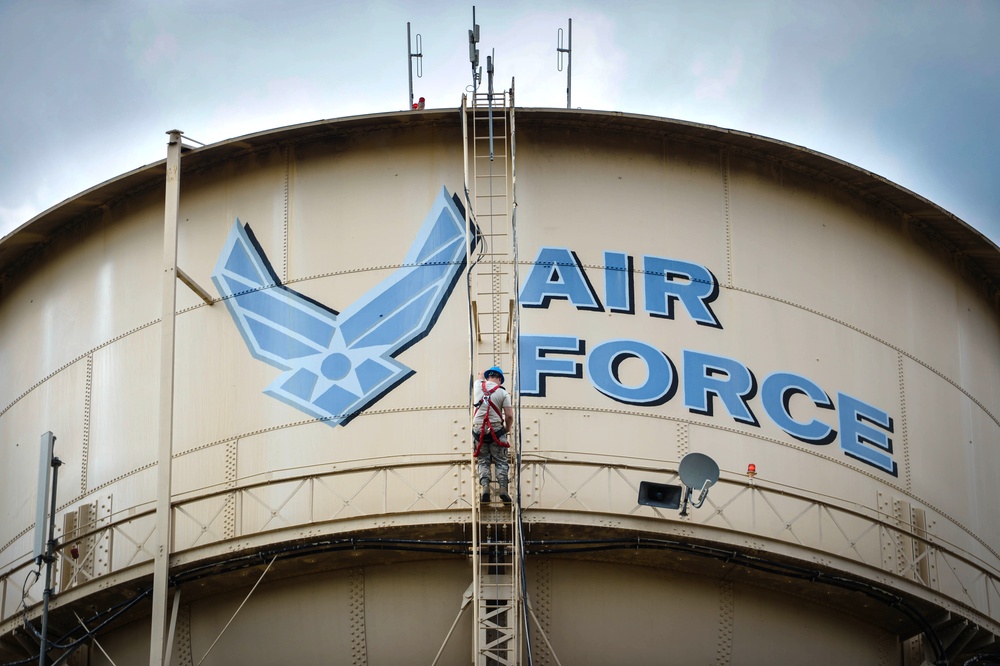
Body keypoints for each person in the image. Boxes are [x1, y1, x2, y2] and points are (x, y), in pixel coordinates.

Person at [472, 366, 513, 503]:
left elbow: (480, 374)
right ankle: (503, 489)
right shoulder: (503, 393)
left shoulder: (478, 386)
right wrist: (506, 429)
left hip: (479, 430)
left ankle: (485, 488)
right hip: (496, 430)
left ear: (488, 377)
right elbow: (509, 416)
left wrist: (483, 373)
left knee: (483, 460)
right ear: (500, 379)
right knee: (501, 461)